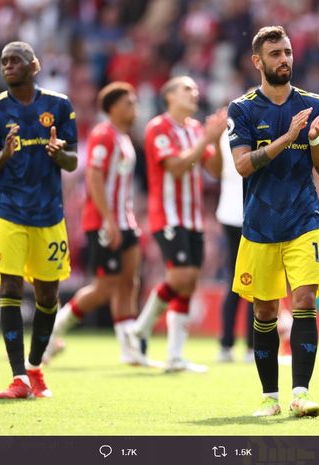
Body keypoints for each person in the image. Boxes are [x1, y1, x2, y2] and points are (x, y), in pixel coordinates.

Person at [227, 25, 319, 417]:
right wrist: (288, 138)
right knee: (265, 312)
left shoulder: (315, 103)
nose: (284, 59)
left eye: (287, 52)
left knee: (305, 300)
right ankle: (269, 398)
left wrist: (315, 140)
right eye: (275, 54)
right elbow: (241, 166)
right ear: (258, 61)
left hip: (304, 220)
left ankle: (301, 394)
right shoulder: (242, 109)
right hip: (259, 226)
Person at [0, 41, 78, 399]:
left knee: (48, 294)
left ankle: (35, 367)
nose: (8, 66)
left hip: (49, 213)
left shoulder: (59, 105)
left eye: (15, 61)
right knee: (10, 289)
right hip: (9, 212)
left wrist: (59, 153)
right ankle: (18, 377)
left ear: (34, 66)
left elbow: (73, 161)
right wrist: (3, 154)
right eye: (4, 61)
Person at [125, 76, 227, 372]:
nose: (195, 93)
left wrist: (216, 141)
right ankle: (141, 327)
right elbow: (176, 167)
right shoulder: (158, 127)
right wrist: (206, 141)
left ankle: (174, 355)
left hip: (193, 218)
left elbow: (216, 170)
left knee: (189, 283)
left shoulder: (195, 129)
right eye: (187, 89)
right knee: (180, 278)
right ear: (169, 96)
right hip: (168, 216)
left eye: (196, 89)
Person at [43, 82, 142, 365]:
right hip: (103, 221)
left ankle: (129, 350)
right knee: (104, 287)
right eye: (129, 103)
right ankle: (52, 333)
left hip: (125, 220)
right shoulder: (103, 134)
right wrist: (109, 221)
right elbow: (94, 178)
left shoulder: (123, 137)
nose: (133, 107)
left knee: (128, 282)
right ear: (112, 108)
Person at [216, 128, 255, 363]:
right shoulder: (255, 126)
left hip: (228, 211)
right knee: (255, 281)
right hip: (248, 212)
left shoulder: (226, 131)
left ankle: (226, 344)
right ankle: (252, 346)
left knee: (234, 280)